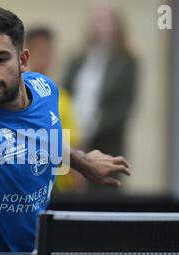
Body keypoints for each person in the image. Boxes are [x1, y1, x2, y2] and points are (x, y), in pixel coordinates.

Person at [0, 6, 131, 252]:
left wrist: (82, 162)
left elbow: (41, 141)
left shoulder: (45, 89)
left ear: (23, 60)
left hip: (22, 254)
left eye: (0, 58)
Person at [63, 6, 137, 191]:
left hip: (106, 141)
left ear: (117, 26)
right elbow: (65, 94)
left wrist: (91, 129)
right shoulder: (78, 57)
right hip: (75, 137)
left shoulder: (127, 61)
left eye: (106, 21)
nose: (101, 26)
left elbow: (122, 107)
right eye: (97, 21)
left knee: (104, 194)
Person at [25, 27, 82, 191]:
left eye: (49, 52)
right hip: (29, 183)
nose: (45, 58)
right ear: (26, 56)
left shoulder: (62, 98)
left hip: (60, 186)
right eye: (40, 52)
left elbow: (74, 142)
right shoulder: (18, 97)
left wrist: (78, 173)